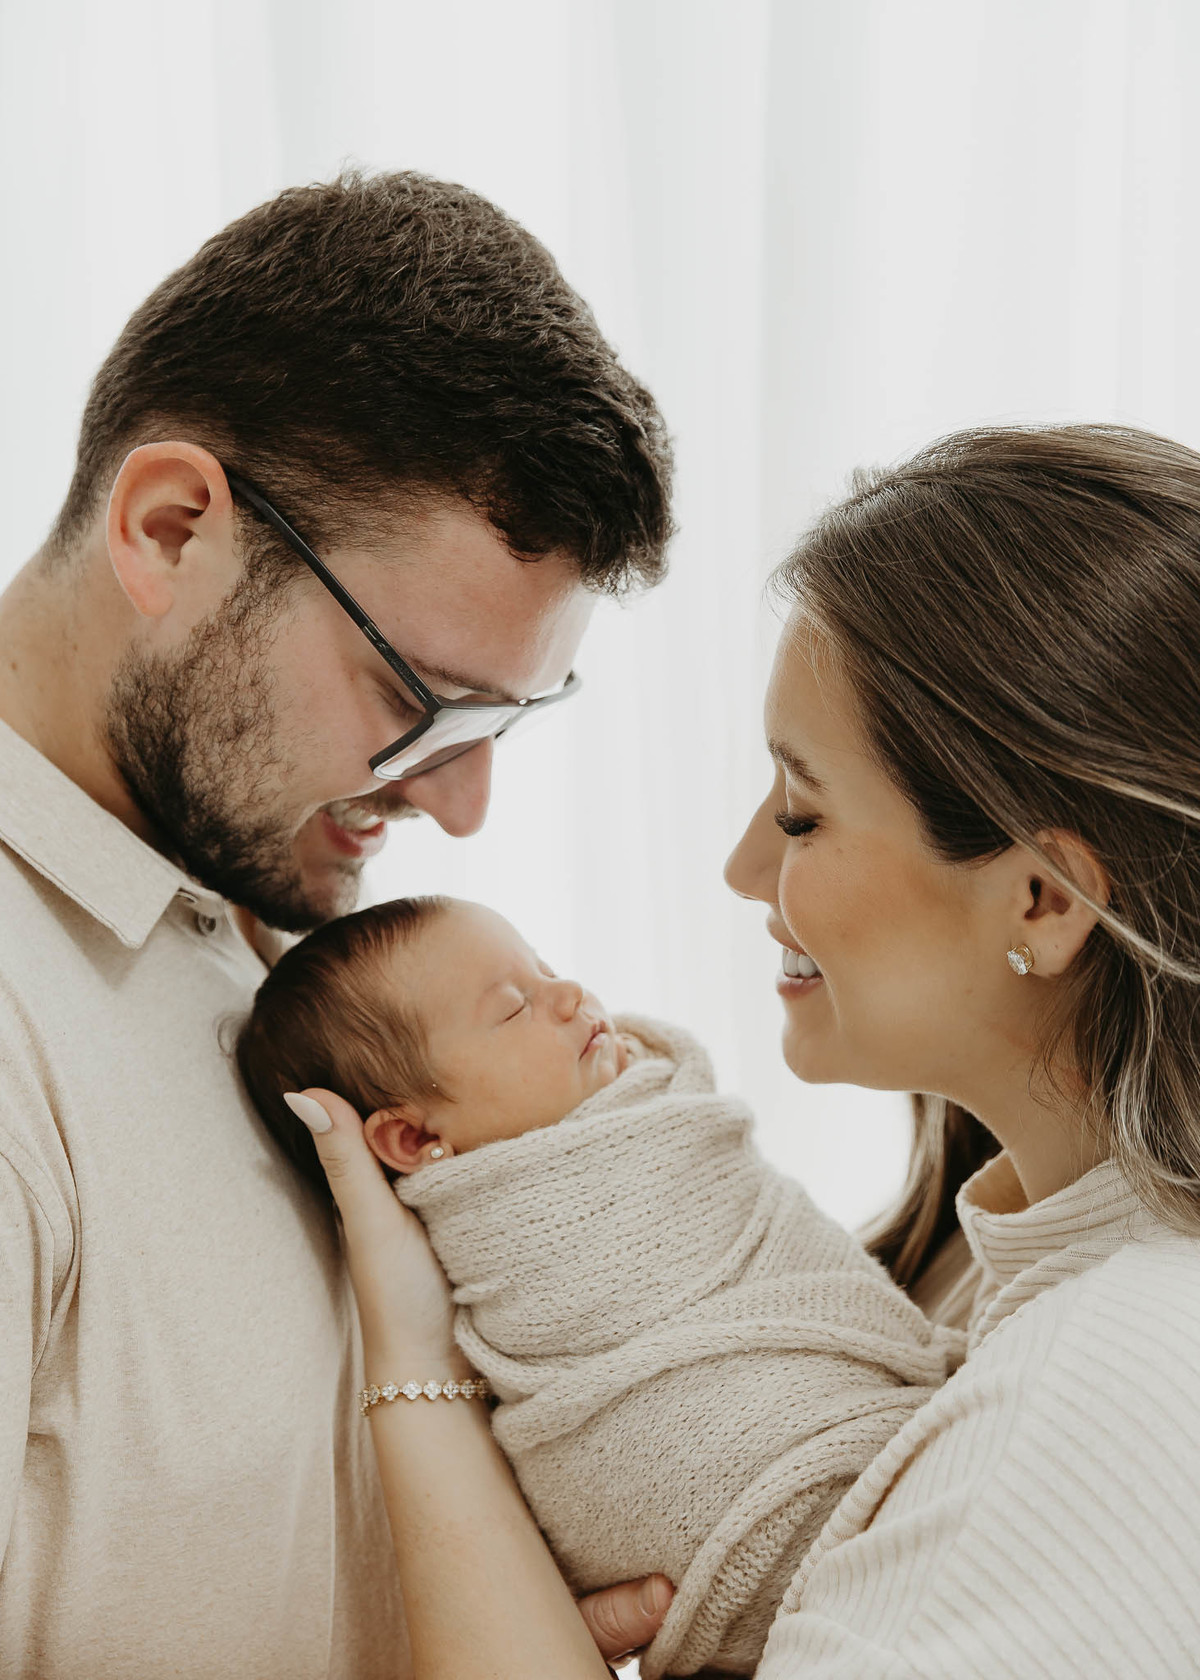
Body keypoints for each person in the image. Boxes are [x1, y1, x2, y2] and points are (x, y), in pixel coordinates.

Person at [291, 422, 1200, 1677]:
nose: (739, 866)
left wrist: (418, 1373)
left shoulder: (1104, 1385)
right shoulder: (1003, 1294)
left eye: (802, 813)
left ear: (1044, 902)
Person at [0, 170, 672, 1679]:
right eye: (417, 700)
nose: (462, 805)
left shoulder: (230, 896)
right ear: (171, 530)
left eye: (505, 723)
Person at [233, 893, 960, 1676]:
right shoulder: (510, 1248)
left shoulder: (660, 1120)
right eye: (513, 1007)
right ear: (412, 1137)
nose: (569, 994)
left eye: (546, 969)